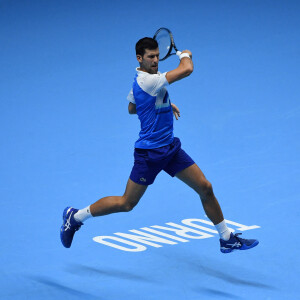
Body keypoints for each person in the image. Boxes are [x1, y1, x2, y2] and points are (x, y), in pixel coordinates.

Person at [60, 37, 259, 253]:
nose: (156, 60)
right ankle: (76, 216)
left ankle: (226, 237)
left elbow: (131, 107)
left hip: (170, 148)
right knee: (126, 203)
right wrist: (185, 54)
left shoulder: (146, 79)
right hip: (149, 154)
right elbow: (187, 69)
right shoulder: (149, 81)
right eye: (151, 57)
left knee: (205, 187)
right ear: (139, 58)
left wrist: (161, 104)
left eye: (157, 56)